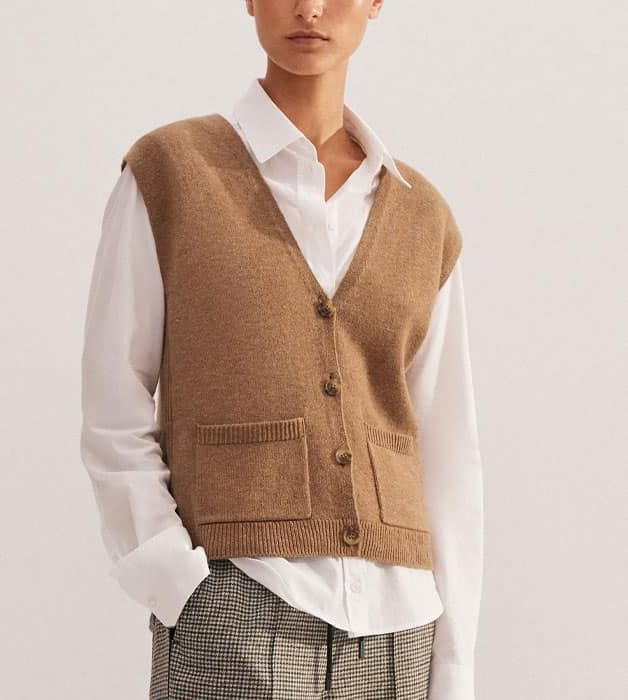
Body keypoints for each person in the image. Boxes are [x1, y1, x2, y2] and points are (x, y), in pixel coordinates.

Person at [80, 1, 483, 698]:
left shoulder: (423, 216)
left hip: (402, 629)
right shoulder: (171, 172)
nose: (310, 9)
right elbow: (113, 401)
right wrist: (174, 581)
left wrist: (454, 664)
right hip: (236, 604)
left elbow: (448, 451)